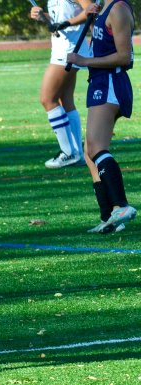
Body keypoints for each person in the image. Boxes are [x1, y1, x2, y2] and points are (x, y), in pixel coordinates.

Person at [67, 0, 136, 233]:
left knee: (96, 147)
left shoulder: (118, 9)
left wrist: (83, 61)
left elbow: (124, 57)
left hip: (110, 83)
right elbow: (102, 43)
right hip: (100, 82)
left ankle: (121, 206)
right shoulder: (103, 7)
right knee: (90, 151)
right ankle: (109, 217)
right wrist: (92, 19)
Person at [29, 0, 93, 169]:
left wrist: (65, 24)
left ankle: (68, 152)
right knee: (65, 100)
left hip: (69, 50)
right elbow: (58, 19)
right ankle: (77, 153)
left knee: (47, 99)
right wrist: (43, 17)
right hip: (61, 48)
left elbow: (90, 11)